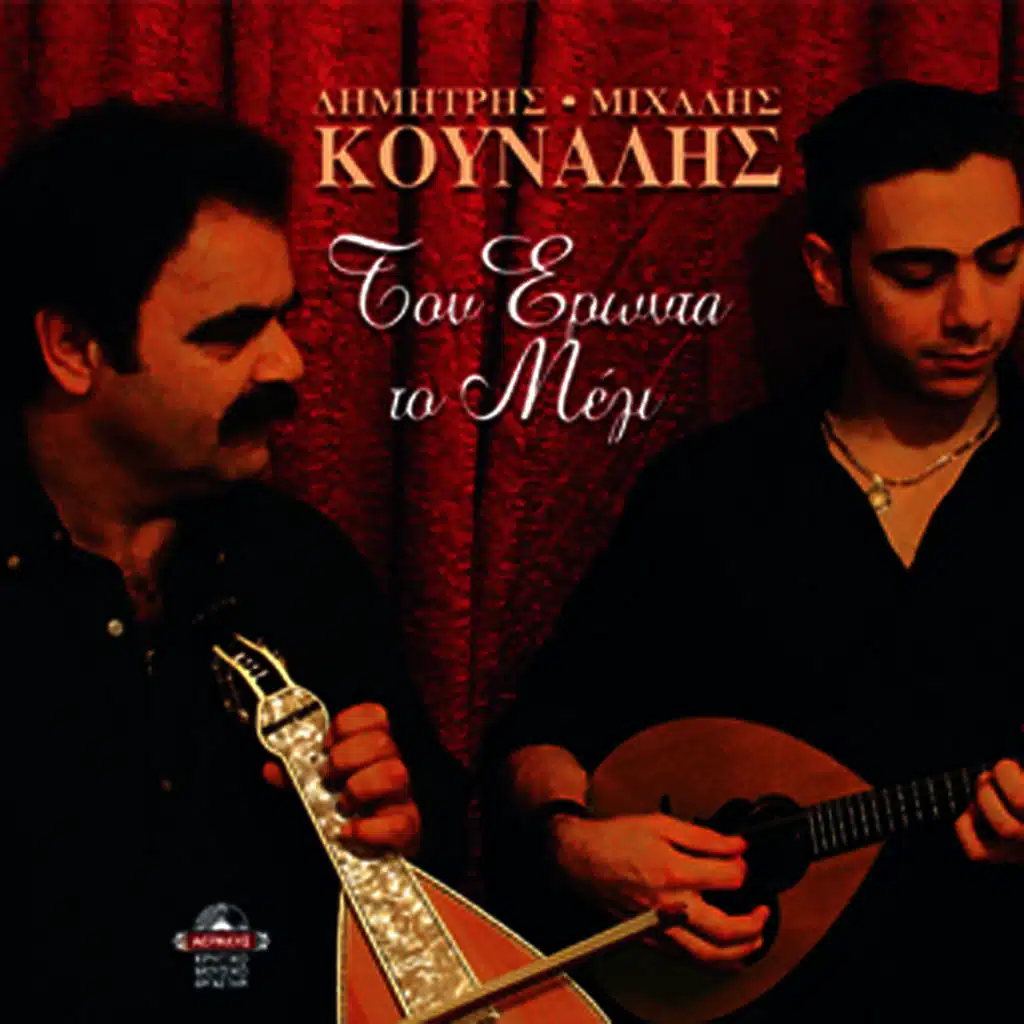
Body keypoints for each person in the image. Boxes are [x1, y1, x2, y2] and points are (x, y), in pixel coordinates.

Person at [481, 80, 1024, 1022]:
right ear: (828, 272)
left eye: (1003, 260)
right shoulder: (713, 492)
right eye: (918, 273)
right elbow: (548, 726)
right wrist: (574, 845)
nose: (971, 311)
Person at [2, 98, 468, 1022]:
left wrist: (400, 837)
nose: (289, 364)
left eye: (284, 319)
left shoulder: (300, 567)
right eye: (229, 332)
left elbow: (441, 857)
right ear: (73, 347)